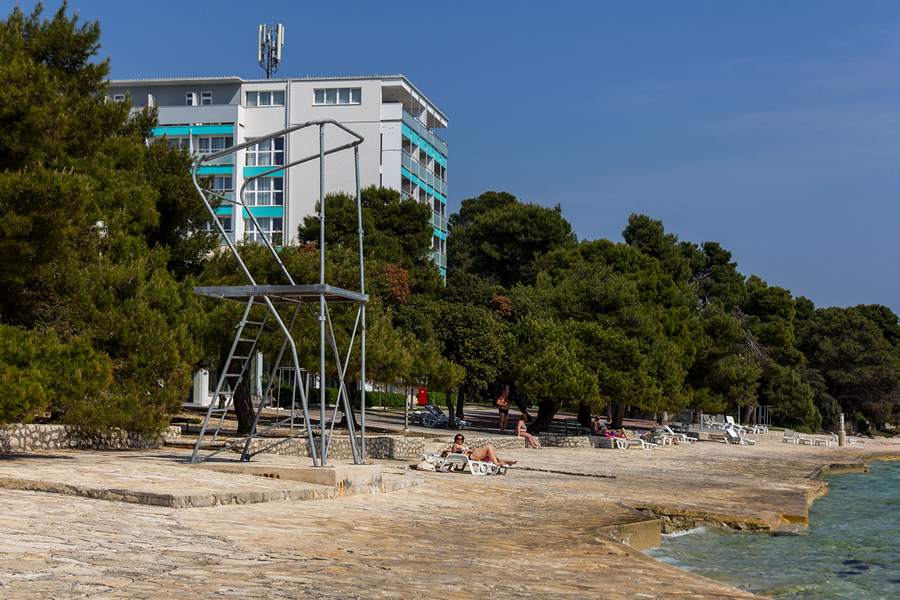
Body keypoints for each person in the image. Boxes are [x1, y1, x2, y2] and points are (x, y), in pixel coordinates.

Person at [445, 434, 517, 466]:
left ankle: (507, 461)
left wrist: (470, 450)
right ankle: (497, 463)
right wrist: (467, 451)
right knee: (489, 447)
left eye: (461, 439)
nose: (460, 440)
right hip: (469, 456)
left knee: (491, 451)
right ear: (455, 439)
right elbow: (454, 455)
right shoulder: (455, 445)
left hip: (472, 454)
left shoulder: (462, 445)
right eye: (458, 439)